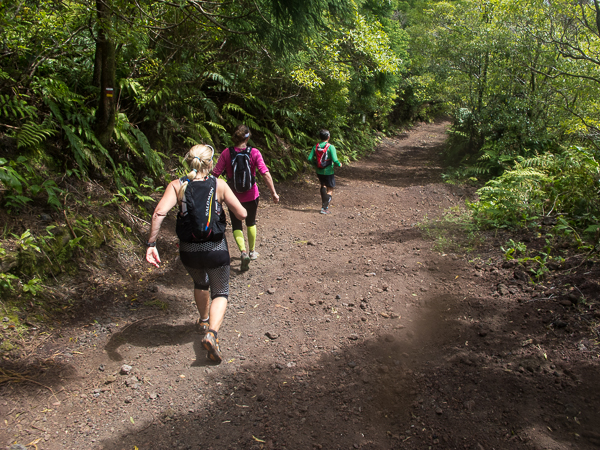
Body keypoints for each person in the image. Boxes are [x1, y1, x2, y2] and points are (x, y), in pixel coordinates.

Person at [146, 144, 247, 364]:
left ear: (188, 161)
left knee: (200, 282)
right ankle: (212, 333)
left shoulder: (177, 185)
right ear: (210, 163)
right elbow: (242, 213)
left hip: (188, 251)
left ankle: (203, 320)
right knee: (220, 292)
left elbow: (159, 212)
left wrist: (151, 244)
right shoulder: (219, 184)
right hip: (216, 250)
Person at [212, 124, 279, 271]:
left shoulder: (226, 153)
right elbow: (265, 173)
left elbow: (215, 173)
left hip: (232, 196)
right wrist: (273, 192)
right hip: (251, 194)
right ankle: (252, 252)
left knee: (236, 225)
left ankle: (243, 252)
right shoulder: (254, 152)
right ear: (247, 138)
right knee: (251, 222)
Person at [308, 129, 342, 214]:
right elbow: (335, 159)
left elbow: (309, 158)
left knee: (323, 185)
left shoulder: (316, 146)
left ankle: (323, 206)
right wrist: (339, 164)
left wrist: (315, 164)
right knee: (330, 189)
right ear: (328, 137)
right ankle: (324, 208)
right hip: (329, 171)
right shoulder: (331, 147)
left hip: (319, 171)